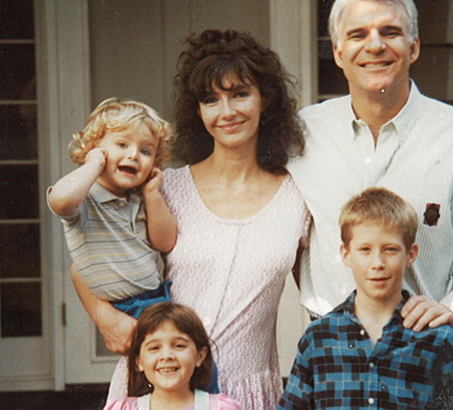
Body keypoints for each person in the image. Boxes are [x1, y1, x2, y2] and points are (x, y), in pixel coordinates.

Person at [87, 30, 310, 409]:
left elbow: (324, 285)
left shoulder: (298, 198)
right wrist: (104, 317)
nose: (227, 112)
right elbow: (88, 259)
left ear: (266, 98)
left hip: (245, 391)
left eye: (240, 94)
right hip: (156, 390)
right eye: (211, 99)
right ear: (198, 110)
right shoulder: (165, 188)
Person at [287, 0, 453, 332]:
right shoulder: (302, 135)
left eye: (390, 32)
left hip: (423, 344)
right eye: (358, 34)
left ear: (414, 47)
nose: (375, 45)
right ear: (338, 52)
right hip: (329, 349)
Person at [278, 188, 453, 409]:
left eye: (390, 249)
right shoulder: (319, 338)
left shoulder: (437, 338)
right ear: (346, 255)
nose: (377, 263)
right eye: (365, 249)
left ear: (410, 255)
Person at [48, 98, 176, 319]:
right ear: (95, 149)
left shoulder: (141, 198)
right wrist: (93, 165)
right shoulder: (85, 199)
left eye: (146, 151)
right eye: (122, 145)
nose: (134, 155)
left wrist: (152, 194)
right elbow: (60, 200)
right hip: (123, 308)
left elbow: (164, 243)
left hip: (156, 298)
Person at [103, 302, 243, 410]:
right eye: (154, 348)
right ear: (138, 362)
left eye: (179, 346)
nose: (166, 356)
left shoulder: (220, 407)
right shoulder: (124, 408)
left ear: (200, 356)